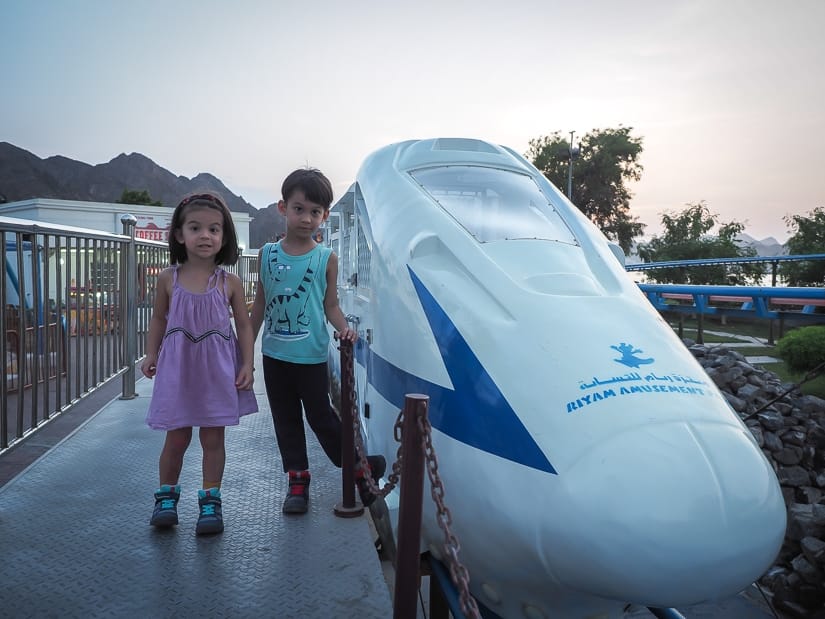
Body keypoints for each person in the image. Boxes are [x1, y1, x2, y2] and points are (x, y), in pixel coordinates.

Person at [250, 168, 384, 514]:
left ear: (324, 215)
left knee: (322, 417)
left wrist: (344, 328)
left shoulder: (326, 258)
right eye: (299, 209)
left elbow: (331, 306)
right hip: (274, 356)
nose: (307, 218)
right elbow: (260, 305)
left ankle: (359, 470)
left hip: (309, 356)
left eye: (315, 212)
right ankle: (297, 480)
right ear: (283, 208)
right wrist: (243, 351)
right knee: (285, 419)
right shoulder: (266, 255)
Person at [141, 192, 258, 535]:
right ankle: (166, 498)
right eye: (195, 228)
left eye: (214, 229)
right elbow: (159, 319)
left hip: (216, 372)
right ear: (179, 234)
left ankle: (210, 502)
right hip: (179, 371)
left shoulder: (229, 282)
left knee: (212, 439)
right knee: (176, 438)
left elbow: (245, 325)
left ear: (224, 237)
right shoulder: (168, 278)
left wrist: (247, 364)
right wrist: (151, 354)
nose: (205, 236)